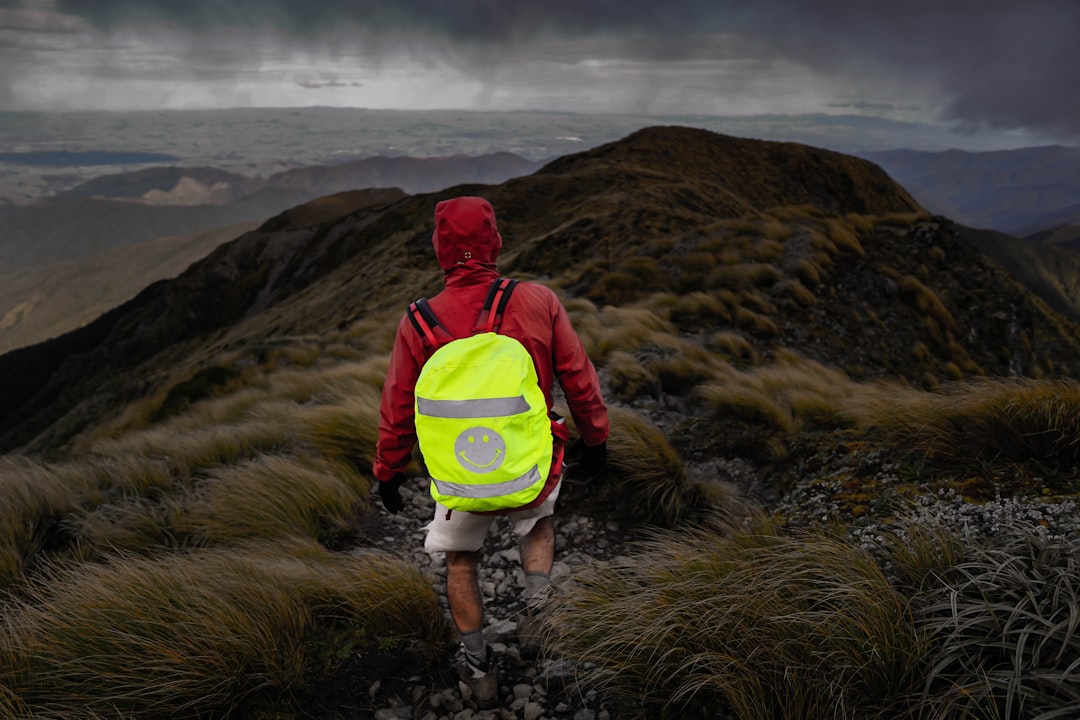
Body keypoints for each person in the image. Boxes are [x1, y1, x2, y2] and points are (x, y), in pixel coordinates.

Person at [373, 195, 609, 708]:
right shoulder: (539, 301)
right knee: (539, 525)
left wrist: (387, 471)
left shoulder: (417, 320)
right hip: (531, 462)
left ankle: (479, 672)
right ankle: (537, 619)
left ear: (439, 249)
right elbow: (578, 379)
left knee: (461, 560)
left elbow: (397, 405)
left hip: (461, 476)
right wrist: (596, 439)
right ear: (495, 243)